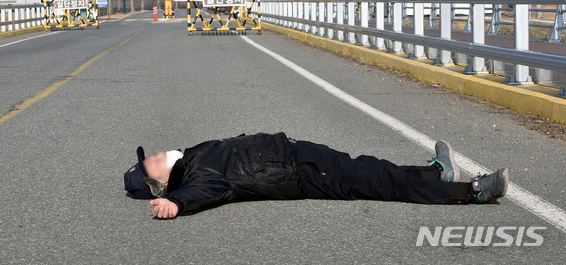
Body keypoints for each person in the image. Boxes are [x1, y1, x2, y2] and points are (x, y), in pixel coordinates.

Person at [123, 133, 508, 219]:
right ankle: (471, 191)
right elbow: (205, 191)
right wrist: (177, 203)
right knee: (375, 181)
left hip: (301, 154)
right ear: (160, 181)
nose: (154, 155)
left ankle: (433, 173)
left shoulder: (191, 157)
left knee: (372, 169)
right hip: (303, 171)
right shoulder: (196, 177)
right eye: (150, 164)